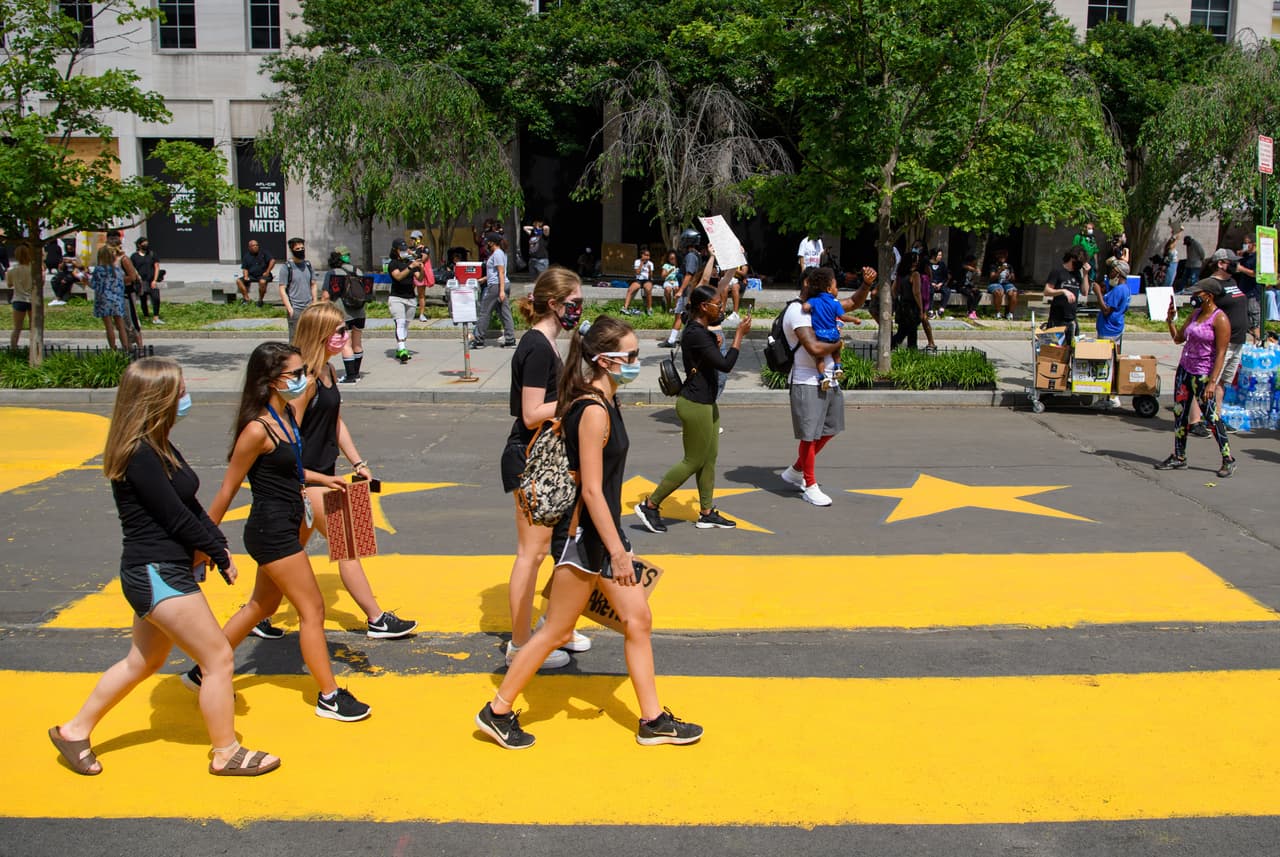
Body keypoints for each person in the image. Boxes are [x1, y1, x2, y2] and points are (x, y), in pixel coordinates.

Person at [476, 315, 703, 750]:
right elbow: (594, 492)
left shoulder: (605, 399)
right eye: (631, 356)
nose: (637, 362)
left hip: (603, 534)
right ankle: (498, 710)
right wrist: (619, 553)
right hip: (583, 538)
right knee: (557, 632)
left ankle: (652, 720)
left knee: (639, 620)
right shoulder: (593, 411)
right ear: (604, 360)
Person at [49, 357, 280, 777]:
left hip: (162, 570)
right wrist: (219, 550)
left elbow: (186, 503)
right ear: (156, 399)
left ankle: (73, 731)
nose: (185, 396)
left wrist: (210, 546)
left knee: (142, 662)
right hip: (155, 573)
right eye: (179, 390)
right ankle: (226, 752)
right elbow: (174, 516)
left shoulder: (157, 444)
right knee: (218, 660)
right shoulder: (138, 454)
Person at [184, 342, 371, 721]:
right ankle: (329, 695)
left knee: (262, 606)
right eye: (295, 374)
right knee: (313, 609)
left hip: (290, 517)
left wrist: (326, 479)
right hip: (271, 530)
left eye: (304, 372)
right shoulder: (257, 429)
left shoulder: (284, 413)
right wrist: (204, 543)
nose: (304, 379)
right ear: (271, 380)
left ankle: (203, 670)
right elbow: (227, 489)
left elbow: (289, 470)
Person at [252, 303, 418, 642]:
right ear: (320, 335)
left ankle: (257, 613)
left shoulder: (327, 371)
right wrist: (308, 477)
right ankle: (376, 619)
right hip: (307, 478)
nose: (346, 335)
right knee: (351, 543)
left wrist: (358, 463)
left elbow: (335, 421)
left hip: (323, 473)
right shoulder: (306, 381)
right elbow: (286, 437)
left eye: (346, 329)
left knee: (285, 551)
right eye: (339, 331)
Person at [499, 267, 591, 670]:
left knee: (560, 549)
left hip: (550, 459)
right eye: (574, 304)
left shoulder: (549, 343)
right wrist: (578, 398)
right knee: (531, 555)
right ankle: (520, 643)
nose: (579, 310)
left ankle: (556, 626)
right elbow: (532, 412)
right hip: (532, 459)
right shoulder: (537, 347)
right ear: (553, 304)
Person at [635, 286, 753, 533]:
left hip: (707, 402)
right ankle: (650, 504)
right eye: (717, 304)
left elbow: (710, 358)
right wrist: (739, 335)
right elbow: (725, 364)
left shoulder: (701, 332)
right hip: (695, 403)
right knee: (693, 460)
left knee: (709, 459)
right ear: (703, 307)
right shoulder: (696, 333)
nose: (721, 308)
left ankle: (706, 512)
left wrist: (717, 340)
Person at [778, 266, 871, 506]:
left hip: (829, 379)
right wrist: (839, 342)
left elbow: (852, 303)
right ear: (811, 283)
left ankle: (795, 470)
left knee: (830, 428)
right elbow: (815, 349)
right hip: (807, 380)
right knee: (809, 436)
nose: (835, 289)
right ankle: (809, 485)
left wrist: (866, 285)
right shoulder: (797, 311)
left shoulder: (824, 303)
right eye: (832, 283)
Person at [1156, 279, 1234, 479]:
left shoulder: (1220, 319)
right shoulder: (1196, 314)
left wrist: (1212, 382)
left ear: (1209, 295)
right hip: (1185, 370)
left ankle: (1228, 459)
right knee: (1179, 413)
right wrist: (1170, 320)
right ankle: (1179, 457)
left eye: (1197, 293)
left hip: (1203, 374)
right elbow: (1178, 339)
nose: (1194, 297)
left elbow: (1221, 353)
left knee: (1211, 417)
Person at [1188, 249, 1246, 438]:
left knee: (1221, 382)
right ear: (1221, 263)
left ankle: (1215, 418)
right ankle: (1195, 421)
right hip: (1221, 343)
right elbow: (1200, 308)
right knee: (1207, 381)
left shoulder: (1231, 282)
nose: (1236, 264)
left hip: (1237, 341)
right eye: (1232, 261)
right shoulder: (1211, 284)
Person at [802, 266, 861, 389]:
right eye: (836, 287)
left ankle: (822, 376)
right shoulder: (835, 302)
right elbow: (843, 317)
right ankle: (838, 367)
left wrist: (808, 307)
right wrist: (855, 319)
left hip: (820, 335)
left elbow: (805, 307)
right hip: (834, 334)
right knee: (836, 350)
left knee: (820, 358)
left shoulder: (814, 300)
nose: (837, 289)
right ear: (829, 289)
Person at [320, 246, 367, 384]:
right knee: (357, 343)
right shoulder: (358, 271)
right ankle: (357, 373)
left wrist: (322, 309)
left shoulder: (333, 273)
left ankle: (350, 376)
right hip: (360, 311)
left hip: (343, 313)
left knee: (346, 344)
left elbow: (326, 295)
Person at [1094, 257, 1131, 408]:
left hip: (1109, 330)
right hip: (1113, 328)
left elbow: (1106, 310)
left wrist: (1098, 293)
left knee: (1106, 363)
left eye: (1113, 272)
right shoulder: (1123, 289)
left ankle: (1109, 397)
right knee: (1110, 362)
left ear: (1119, 274)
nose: (1110, 274)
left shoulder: (1119, 290)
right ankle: (1108, 395)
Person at [659, 229, 704, 349]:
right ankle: (682, 338)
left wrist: (680, 290)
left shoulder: (690, 256)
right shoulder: (696, 255)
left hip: (687, 291)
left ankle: (672, 340)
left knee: (680, 314)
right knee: (687, 316)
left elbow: (689, 274)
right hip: (691, 290)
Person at [473, 233, 516, 349]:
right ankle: (510, 340)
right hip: (500, 284)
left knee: (484, 312)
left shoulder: (497, 254)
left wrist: (501, 291)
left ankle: (478, 340)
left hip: (496, 287)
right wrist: (484, 279)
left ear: (492, 242)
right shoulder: (500, 253)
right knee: (504, 313)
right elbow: (497, 272)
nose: (486, 244)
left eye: (487, 241)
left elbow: (501, 272)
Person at [387, 237, 421, 363]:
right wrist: (411, 266)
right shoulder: (393, 263)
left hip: (410, 297)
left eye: (405, 249)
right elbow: (398, 276)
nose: (403, 251)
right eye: (400, 249)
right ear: (395, 250)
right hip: (396, 297)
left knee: (406, 323)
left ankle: (401, 346)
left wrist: (420, 266)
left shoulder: (410, 262)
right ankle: (402, 349)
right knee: (400, 322)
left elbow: (420, 277)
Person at [1043, 246, 1089, 336]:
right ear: (1072, 258)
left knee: (1072, 347)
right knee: (1057, 348)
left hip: (1071, 318)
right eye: (1079, 262)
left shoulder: (1077, 274)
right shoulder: (1058, 271)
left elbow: (1085, 292)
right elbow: (1046, 291)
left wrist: (1085, 274)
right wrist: (1063, 291)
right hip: (1057, 318)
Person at [92, 244, 129, 351]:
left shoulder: (99, 270)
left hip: (104, 300)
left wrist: (84, 279)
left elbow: (94, 285)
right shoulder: (117, 270)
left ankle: (113, 348)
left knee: (109, 327)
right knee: (120, 326)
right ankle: (125, 347)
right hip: (117, 299)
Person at [280, 237, 317, 344]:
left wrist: (314, 303)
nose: (301, 250)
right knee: (295, 340)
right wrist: (290, 309)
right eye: (298, 249)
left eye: (302, 248)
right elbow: (282, 289)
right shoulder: (287, 267)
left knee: (311, 339)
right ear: (292, 250)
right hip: (295, 309)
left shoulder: (308, 265)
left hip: (309, 308)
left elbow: (313, 284)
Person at [890, 251, 925, 350]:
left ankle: (891, 346)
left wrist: (897, 300)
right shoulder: (915, 274)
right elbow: (916, 293)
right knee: (912, 331)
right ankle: (911, 350)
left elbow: (893, 290)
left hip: (902, 304)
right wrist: (921, 308)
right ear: (914, 262)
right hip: (912, 305)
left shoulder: (900, 274)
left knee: (902, 330)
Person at [7, 244, 37, 349]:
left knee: (17, 327)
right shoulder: (34, 268)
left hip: (18, 299)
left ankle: (13, 348)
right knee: (33, 327)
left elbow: (9, 284)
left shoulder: (11, 270)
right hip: (32, 299)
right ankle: (34, 348)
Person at [130, 237, 163, 325]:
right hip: (141, 281)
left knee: (156, 298)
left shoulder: (152, 254)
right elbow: (132, 268)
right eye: (143, 243)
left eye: (146, 243)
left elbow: (156, 267)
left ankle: (156, 316)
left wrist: (155, 280)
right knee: (143, 299)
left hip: (151, 280)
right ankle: (146, 316)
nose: (146, 245)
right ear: (139, 245)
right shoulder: (134, 256)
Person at [1235, 233, 1261, 345]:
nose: (1244, 245)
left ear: (1253, 244)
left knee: (1254, 316)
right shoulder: (1245, 256)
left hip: (1253, 292)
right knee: (1244, 317)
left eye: (1246, 243)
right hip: (1243, 290)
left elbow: (1255, 274)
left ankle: (1257, 342)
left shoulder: (1257, 257)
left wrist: (1241, 268)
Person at [237, 239, 275, 306]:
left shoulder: (264, 252)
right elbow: (245, 268)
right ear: (249, 247)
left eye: (257, 245)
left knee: (262, 282)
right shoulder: (246, 256)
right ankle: (246, 299)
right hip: (252, 275)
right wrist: (245, 276)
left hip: (263, 275)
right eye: (253, 245)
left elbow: (272, 261)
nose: (255, 247)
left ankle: (260, 300)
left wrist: (267, 271)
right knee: (238, 281)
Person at [409, 231, 436, 323]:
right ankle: (409, 312)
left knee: (421, 294)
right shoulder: (410, 249)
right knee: (408, 293)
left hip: (419, 273)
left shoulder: (424, 249)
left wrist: (412, 255)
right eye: (411, 239)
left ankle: (421, 314)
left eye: (413, 239)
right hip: (410, 272)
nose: (411, 241)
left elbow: (423, 258)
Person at [985, 248, 1018, 319]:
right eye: (1000, 256)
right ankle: (998, 313)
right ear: (997, 257)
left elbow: (1013, 279)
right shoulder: (993, 265)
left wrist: (1010, 276)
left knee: (1013, 293)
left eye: (1004, 256)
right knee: (999, 292)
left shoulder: (1009, 266)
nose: (1002, 257)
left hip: (1006, 283)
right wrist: (1000, 270)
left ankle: (1010, 314)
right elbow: (992, 278)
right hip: (995, 283)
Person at [622, 247, 655, 315]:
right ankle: (625, 308)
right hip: (639, 280)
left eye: (648, 255)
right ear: (642, 255)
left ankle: (649, 309)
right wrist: (641, 264)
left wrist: (649, 270)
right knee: (630, 289)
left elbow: (650, 277)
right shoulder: (637, 261)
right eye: (645, 255)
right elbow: (637, 272)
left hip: (647, 280)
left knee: (648, 289)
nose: (647, 257)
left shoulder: (650, 263)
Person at [928, 248, 951, 319]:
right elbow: (924, 276)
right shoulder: (928, 264)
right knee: (930, 291)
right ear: (933, 256)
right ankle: (930, 311)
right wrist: (931, 283)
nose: (940, 257)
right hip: (930, 284)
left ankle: (941, 310)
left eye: (941, 255)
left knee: (947, 291)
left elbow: (945, 276)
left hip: (939, 284)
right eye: (939, 255)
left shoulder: (942, 264)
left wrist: (940, 283)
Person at [958, 254, 982, 319]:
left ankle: (973, 311)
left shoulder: (973, 269)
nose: (976, 263)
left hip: (969, 287)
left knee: (979, 293)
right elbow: (964, 266)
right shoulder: (964, 267)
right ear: (970, 262)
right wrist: (973, 269)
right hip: (961, 286)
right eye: (974, 261)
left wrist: (976, 273)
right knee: (971, 295)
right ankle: (969, 312)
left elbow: (971, 280)